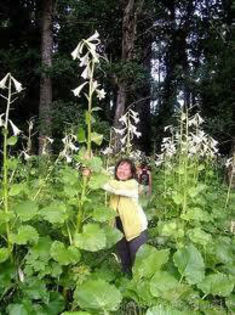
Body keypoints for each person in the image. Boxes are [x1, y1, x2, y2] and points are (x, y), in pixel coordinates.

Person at [102, 158, 148, 274]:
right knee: (124, 261)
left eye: (126, 169)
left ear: (131, 173)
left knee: (138, 262)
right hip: (119, 230)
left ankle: (139, 287)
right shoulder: (115, 183)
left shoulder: (133, 185)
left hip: (136, 230)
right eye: (120, 167)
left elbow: (114, 187)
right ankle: (126, 284)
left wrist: (94, 169)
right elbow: (110, 182)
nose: (122, 171)